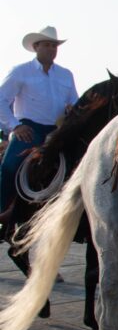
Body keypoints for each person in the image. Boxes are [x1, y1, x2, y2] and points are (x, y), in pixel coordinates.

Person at [0, 26, 78, 217]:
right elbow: (1, 100)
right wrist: (16, 126)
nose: (52, 49)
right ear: (36, 47)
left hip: (57, 131)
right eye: (47, 45)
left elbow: (75, 103)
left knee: (79, 165)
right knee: (9, 166)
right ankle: (2, 210)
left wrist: (73, 111)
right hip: (29, 129)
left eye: (54, 45)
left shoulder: (66, 74)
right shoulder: (20, 72)